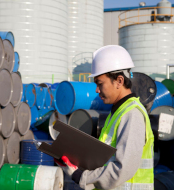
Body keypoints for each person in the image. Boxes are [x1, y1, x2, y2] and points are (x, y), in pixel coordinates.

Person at [55, 45, 154, 190]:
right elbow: (105, 160)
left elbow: (122, 169)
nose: (97, 90)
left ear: (119, 81)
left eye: (100, 84)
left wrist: (82, 177)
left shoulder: (131, 114)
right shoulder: (117, 112)